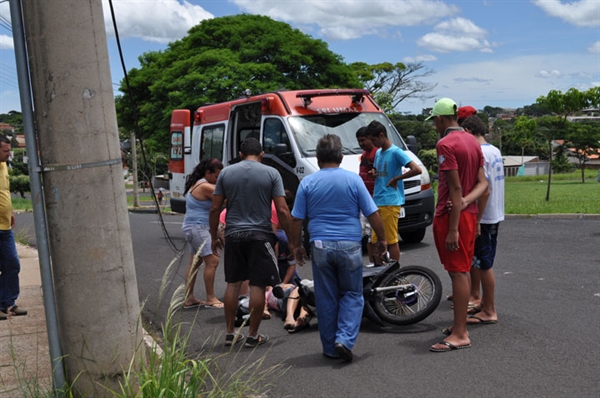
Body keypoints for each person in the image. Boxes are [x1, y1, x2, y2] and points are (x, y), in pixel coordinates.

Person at [290, 134, 387, 362]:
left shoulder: (308, 183)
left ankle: (330, 348)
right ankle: (344, 338)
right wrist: (382, 239)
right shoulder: (354, 180)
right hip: (350, 246)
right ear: (341, 157)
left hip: (320, 246)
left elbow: (296, 219)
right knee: (352, 294)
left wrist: (296, 246)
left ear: (318, 157)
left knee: (326, 298)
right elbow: (372, 213)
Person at [209, 138, 294, 348]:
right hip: (260, 236)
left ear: (240, 154)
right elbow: (282, 210)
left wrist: (213, 236)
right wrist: (293, 241)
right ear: (262, 154)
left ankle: (230, 332)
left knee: (233, 283)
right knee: (257, 284)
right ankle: (252, 335)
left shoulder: (226, 173)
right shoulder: (271, 173)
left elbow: (214, 208)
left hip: (234, 235)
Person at [425, 98, 488, 353]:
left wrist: (453, 225)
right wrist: (465, 203)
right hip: (469, 214)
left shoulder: (445, 143)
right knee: (460, 270)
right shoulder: (472, 140)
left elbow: (455, 187)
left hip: (452, 217)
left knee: (458, 272)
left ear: (440, 119)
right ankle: (458, 326)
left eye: (434, 122)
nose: (434, 127)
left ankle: (461, 333)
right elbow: (483, 184)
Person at [462, 115, 503, 325]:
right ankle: (484, 303)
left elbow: (484, 190)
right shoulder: (494, 150)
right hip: (494, 214)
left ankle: (489, 310)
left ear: (468, 131)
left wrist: (477, 219)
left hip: (484, 216)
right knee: (481, 261)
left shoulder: (479, 153)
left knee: (484, 264)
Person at [366, 120, 422, 262]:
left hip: (390, 201)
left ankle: (395, 272)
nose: (372, 143)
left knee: (391, 240)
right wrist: (374, 172)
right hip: (377, 199)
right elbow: (380, 171)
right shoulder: (378, 152)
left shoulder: (396, 151)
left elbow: (417, 169)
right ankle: (378, 271)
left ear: (381, 135)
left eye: (374, 139)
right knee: (375, 240)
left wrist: (397, 178)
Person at [181, 158, 224, 309]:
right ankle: (211, 298)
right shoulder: (205, 186)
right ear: (208, 173)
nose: (218, 180)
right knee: (212, 261)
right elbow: (225, 198)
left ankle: (189, 298)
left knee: (195, 263)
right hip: (198, 227)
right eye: (217, 176)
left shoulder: (198, 182)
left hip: (193, 226)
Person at [0, 134, 27, 320]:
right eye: (5, 151)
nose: (9, 154)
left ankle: (8, 302)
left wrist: (9, 212)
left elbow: (5, 191)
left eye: (10, 150)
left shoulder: (3, 165)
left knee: (12, 264)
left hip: (5, 227)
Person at [356, 126, 378, 266]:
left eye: (363, 140)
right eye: (359, 141)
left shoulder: (378, 153)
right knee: (362, 232)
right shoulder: (364, 154)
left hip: (375, 198)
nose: (361, 143)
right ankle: (371, 262)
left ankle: (376, 263)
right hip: (364, 197)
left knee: (372, 235)